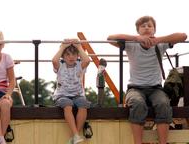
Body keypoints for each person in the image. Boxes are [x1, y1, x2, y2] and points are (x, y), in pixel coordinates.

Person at [107, 16, 187, 144]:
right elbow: (110, 38)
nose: (146, 28)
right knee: (137, 104)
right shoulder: (132, 44)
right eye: (143, 26)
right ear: (138, 30)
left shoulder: (161, 44)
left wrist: (158, 40)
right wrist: (136, 38)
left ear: (154, 30)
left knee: (163, 104)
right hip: (135, 88)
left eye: (149, 26)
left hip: (155, 88)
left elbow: (183, 36)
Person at [52, 39, 91, 144]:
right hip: (62, 95)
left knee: (83, 105)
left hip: (78, 95)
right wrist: (62, 47)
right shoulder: (60, 66)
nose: (71, 57)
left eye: (74, 54)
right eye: (68, 54)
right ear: (63, 56)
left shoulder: (79, 65)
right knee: (68, 105)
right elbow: (54, 60)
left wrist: (79, 47)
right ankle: (76, 135)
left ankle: (75, 136)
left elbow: (87, 60)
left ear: (78, 55)